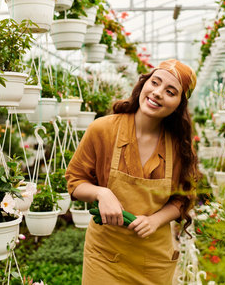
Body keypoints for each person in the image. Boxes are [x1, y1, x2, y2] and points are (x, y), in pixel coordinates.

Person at [65, 59, 199, 285]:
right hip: (105, 256)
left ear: (179, 104)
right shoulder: (103, 129)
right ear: (143, 84)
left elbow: (184, 198)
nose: (157, 93)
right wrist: (101, 193)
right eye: (154, 82)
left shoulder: (179, 146)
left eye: (170, 91)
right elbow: (75, 180)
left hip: (153, 259)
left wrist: (155, 220)